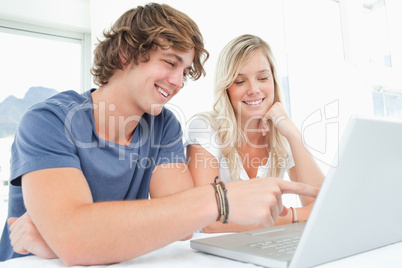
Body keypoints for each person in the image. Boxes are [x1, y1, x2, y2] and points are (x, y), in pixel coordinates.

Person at [0, 4, 319, 266]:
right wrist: (73, 237)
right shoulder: (48, 121)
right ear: (125, 54)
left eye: (185, 71)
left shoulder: (163, 125)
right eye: (170, 63)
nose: (178, 82)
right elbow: (77, 240)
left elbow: (181, 226)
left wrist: (63, 238)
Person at [185, 34, 324, 233]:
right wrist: (297, 215)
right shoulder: (206, 127)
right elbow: (209, 221)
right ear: (226, 89)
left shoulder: (282, 133)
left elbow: (322, 205)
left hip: (265, 243)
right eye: (240, 81)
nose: (253, 89)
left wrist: (294, 136)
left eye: (263, 78)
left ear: (274, 81)